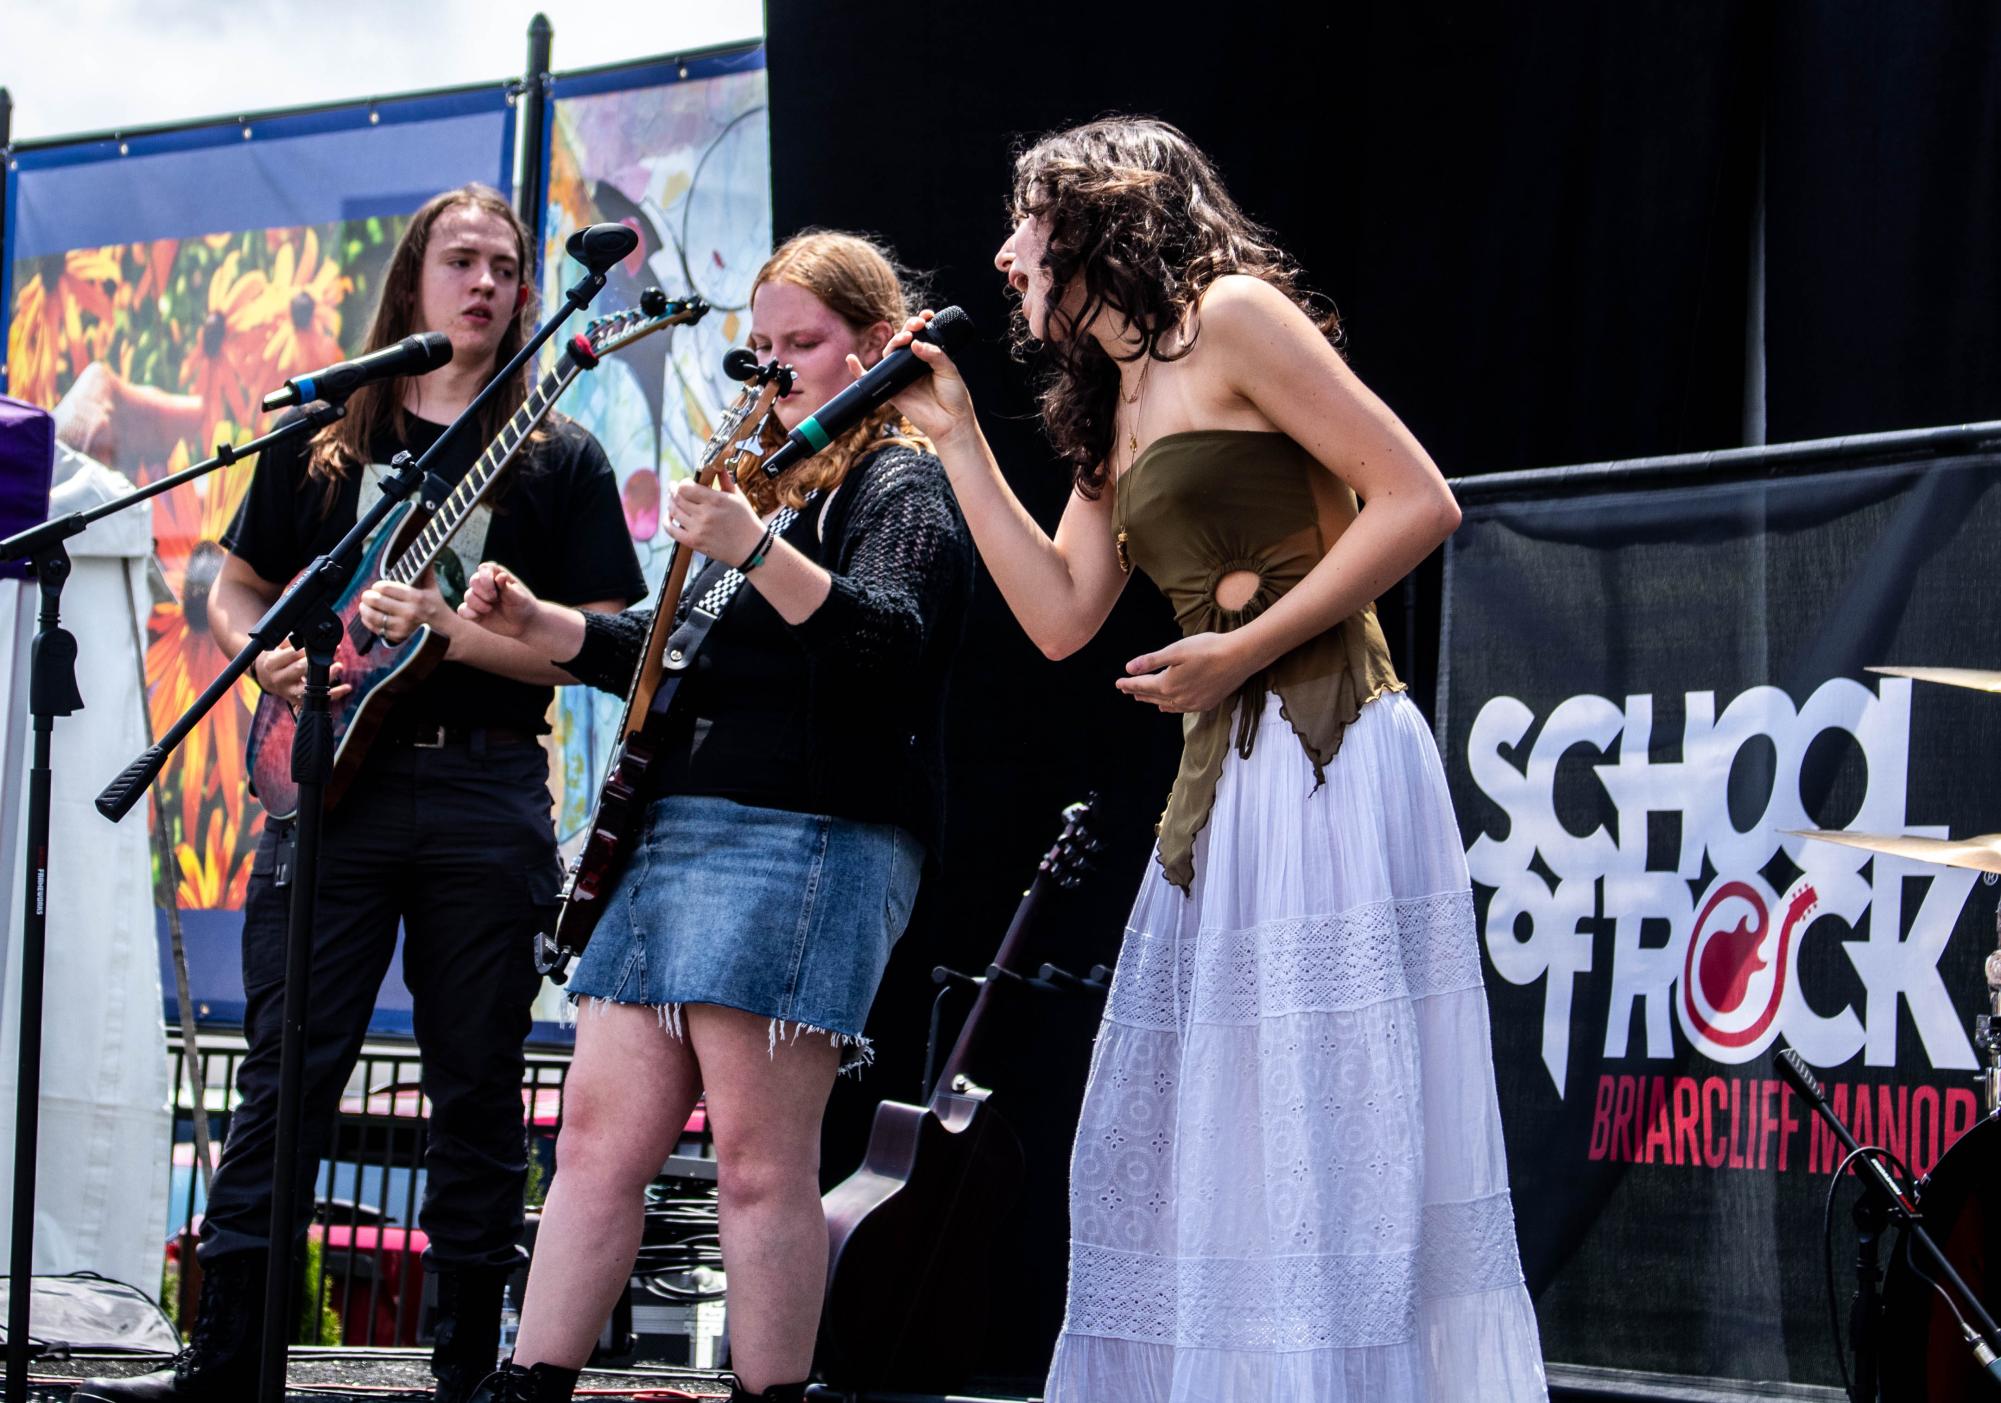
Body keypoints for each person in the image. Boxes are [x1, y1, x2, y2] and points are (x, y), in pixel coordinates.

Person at [880, 117, 1548, 1402]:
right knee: (1225, 1119)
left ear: (1093, 221)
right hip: (1228, 784)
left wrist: (1241, 654)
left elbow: (1418, 499)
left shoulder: (1231, 316)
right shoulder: (1107, 397)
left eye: (1028, 220)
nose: (1006, 251)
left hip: (1330, 748)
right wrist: (959, 437)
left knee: (1324, 1104)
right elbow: (1065, 613)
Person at [77, 183, 648, 1403]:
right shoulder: (330, 428)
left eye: (505, 263)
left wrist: (455, 633)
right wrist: (267, 654)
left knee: (477, 1084)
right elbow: (228, 590)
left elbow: (609, 639)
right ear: (414, 281)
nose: (486, 281)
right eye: (461, 259)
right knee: (288, 1076)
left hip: (485, 792)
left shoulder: (559, 450)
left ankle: (462, 1368)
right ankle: (230, 1367)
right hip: (326, 777)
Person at [455, 230, 973, 1403]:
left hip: (807, 829)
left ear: (874, 348)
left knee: (756, 1155)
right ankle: (528, 1384)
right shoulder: (775, 480)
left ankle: (771, 1393)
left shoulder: (898, 475)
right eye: (762, 347)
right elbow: (681, 651)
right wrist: (540, 621)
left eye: (804, 344)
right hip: (680, 828)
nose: (777, 369)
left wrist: (752, 544)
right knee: (595, 1138)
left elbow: (886, 639)